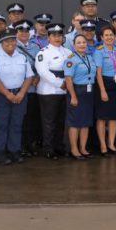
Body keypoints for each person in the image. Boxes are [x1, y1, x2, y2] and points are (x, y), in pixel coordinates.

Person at [0, 28, 33, 164]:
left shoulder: (22, 57)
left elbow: (29, 76)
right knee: (0, 125)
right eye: (7, 41)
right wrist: (7, 94)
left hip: (19, 94)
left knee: (16, 124)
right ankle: (0, 152)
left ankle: (14, 151)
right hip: (1, 96)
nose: (10, 43)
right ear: (1, 43)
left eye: (13, 40)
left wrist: (22, 93)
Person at [36, 22, 70, 160]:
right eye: (54, 35)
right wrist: (60, 83)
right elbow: (43, 72)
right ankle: (48, 149)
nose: (57, 38)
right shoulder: (43, 53)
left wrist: (67, 84)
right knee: (49, 122)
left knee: (61, 121)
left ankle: (59, 146)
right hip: (49, 92)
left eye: (59, 35)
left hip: (64, 91)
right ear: (48, 37)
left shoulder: (68, 52)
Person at [13, 20, 42, 157]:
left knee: (31, 118)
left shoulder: (35, 47)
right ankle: (20, 146)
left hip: (33, 89)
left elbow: (40, 65)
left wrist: (38, 77)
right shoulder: (12, 47)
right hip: (20, 89)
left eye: (26, 31)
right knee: (20, 119)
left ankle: (30, 144)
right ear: (16, 32)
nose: (24, 33)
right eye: (21, 31)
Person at [94, 25, 116, 156]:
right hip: (104, 84)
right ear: (101, 37)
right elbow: (98, 73)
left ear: (114, 36)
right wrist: (102, 90)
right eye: (106, 35)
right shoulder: (99, 51)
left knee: (113, 117)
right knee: (102, 117)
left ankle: (111, 144)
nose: (109, 37)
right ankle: (103, 145)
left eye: (111, 35)